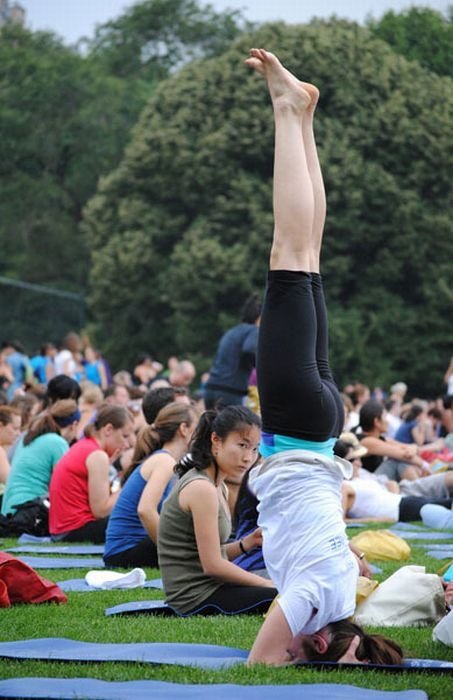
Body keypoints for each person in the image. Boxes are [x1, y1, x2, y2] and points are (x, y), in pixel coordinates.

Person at [243, 48, 402, 666]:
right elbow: (259, 663)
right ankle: (288, 113)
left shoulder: (341, 592)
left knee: (306, 255)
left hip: (320, 424)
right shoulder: (314, 598)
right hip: (299, 425)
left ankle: (301, 116)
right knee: (289, 248)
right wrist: (302, 661)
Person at [158, 405, 277, 615]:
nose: (248, 457)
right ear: (216, 440)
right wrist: (264, 584)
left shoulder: (218, 485)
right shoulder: (202, 488)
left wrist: (245, 544)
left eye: (255, 449)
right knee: (288, 597)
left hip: (210, 589)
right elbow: (212, 565)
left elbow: (210, 553)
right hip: (196, 598)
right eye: (242, 445)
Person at [104, 402, 198, 567]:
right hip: (125, 553)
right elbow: (145, 510)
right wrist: (171, 551)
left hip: (126, 549)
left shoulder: (165, 460)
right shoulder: (164, 461)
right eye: (196, 430)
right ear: (184, 429)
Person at [49, 404, 134, 543]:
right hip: (74, 530)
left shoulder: (85, 445)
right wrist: (129, 487)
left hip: (62, 529)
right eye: (124, 436)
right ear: (108, 429)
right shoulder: (97, 455)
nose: (127, 444)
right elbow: (101, 511)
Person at [1, 401, 80, 525]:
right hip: (29, 512)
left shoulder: (29, 437)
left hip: (9, 511)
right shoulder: (58, 443)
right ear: (74, 425)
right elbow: (65, 485)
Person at [203, 295, 261, 409]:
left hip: (210, 388)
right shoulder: (254, 330)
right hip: (230, 392)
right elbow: (249, 350)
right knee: (232, 426)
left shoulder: (232, 331)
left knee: (211, 425)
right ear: (259, 318)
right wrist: (258, 366)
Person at [358, 400, 430, 480]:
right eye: (385, 417)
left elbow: (407, 448)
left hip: (376, 480)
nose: (388, 421)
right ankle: (420, 488)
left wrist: (414, 448)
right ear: (377, 422)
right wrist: (425, 465)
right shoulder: (367, 441)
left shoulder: (380, 439)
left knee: (402, 461)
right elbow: (402, 454)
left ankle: (420, 486)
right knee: (396, 461)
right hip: (366, 482)